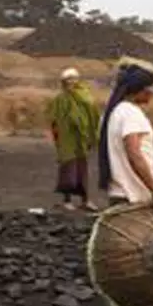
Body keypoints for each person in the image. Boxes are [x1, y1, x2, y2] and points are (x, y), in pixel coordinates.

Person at [98, 60, 153, 208]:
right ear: (140, 89)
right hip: (132, 196)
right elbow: (135, 156)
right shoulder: (130, 114)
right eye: (151, 87)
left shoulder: (117, 111)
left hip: (120, 194)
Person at [47, 68, 102, 210]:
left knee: (82, 169)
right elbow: (54, 119)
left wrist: (91, 134)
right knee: (68, 168)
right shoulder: (60, 99)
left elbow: (93, 114)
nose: (71, 82)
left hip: (81, 139)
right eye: (68, 80)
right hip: (67, 140)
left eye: (73, 79)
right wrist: (57, 137)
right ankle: (67, 201)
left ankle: (85, 200)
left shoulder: (85, 97)